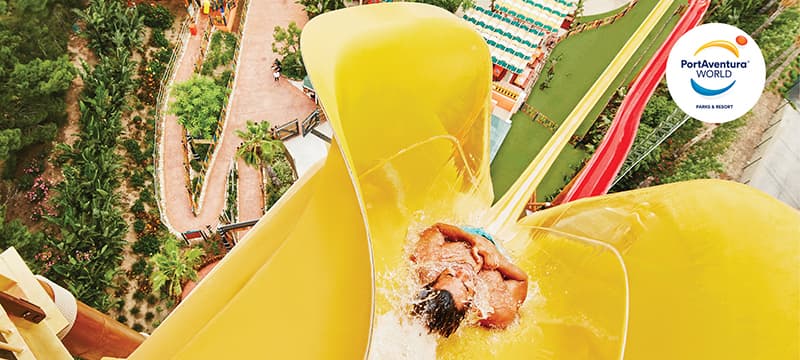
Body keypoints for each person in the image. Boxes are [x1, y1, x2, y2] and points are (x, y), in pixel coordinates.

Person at [409, 223, 528, 337]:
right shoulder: (494, 306)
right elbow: (522, 280)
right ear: (470, 307)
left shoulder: (428, 264)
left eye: (450, 275)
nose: (462, 273)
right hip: (497, 249)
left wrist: (473, 239)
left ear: (435, 279)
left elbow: (437, 228)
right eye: (466, 287)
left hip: (464, 234)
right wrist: (497, 261)